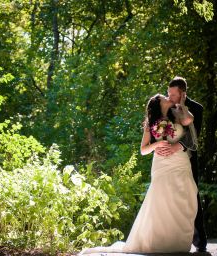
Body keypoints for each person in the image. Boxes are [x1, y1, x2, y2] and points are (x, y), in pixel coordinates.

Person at [79, 94, 198, 255]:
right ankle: (158, 240)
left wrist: (182, 105)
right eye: (164, 97)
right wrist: (156, 144)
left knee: (183, 197)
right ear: (158, 103)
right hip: (162, 165)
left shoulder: (176, 114)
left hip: (179, 161)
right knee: (162, 200)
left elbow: (189, 124)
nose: (168, 97)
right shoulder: (150, 124)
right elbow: (143, 150)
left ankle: (176, 240)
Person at [157, 76, 207, 252]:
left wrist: (176, 148)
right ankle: (171, 237)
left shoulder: (197, 109)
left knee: (192, 194)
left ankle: (200, 241)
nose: (169, 97)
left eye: (173, 94)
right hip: (169, 160)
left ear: (183, 93)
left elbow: (194, 134)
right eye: (168, 93)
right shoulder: (168, 108)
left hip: (188, 158)